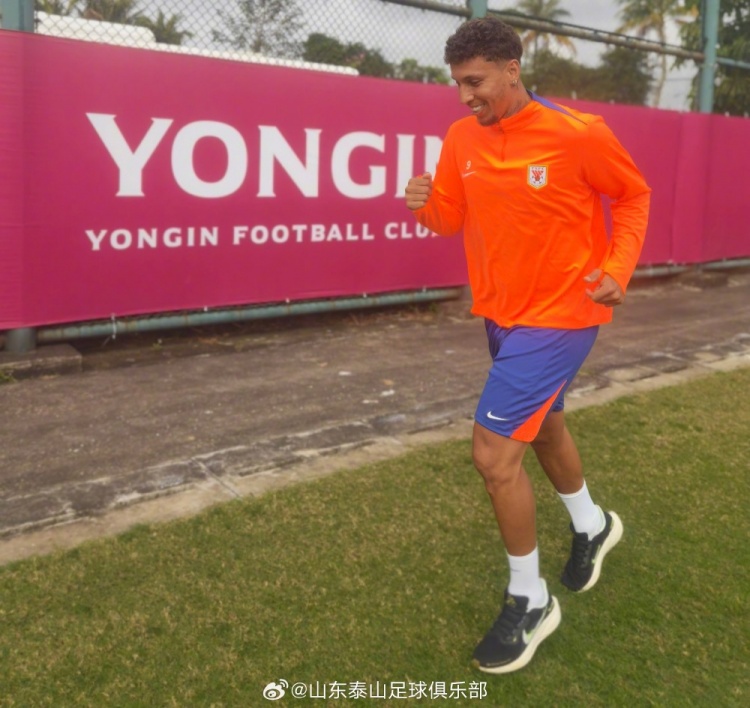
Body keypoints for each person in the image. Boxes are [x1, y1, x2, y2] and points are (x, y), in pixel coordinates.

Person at [404, 17, 650, 675]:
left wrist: (618, 270)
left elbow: (632, 197)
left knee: (493, 456)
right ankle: (593, 524)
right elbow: (449, 218)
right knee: (542, 427)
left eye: (476, 82)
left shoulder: (579, 133)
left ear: (512, 69)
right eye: (458, 84)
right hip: (501, 317)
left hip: (563, 314)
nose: (466, 97)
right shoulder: (461, 137)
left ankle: (530, 599)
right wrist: (423, 203)